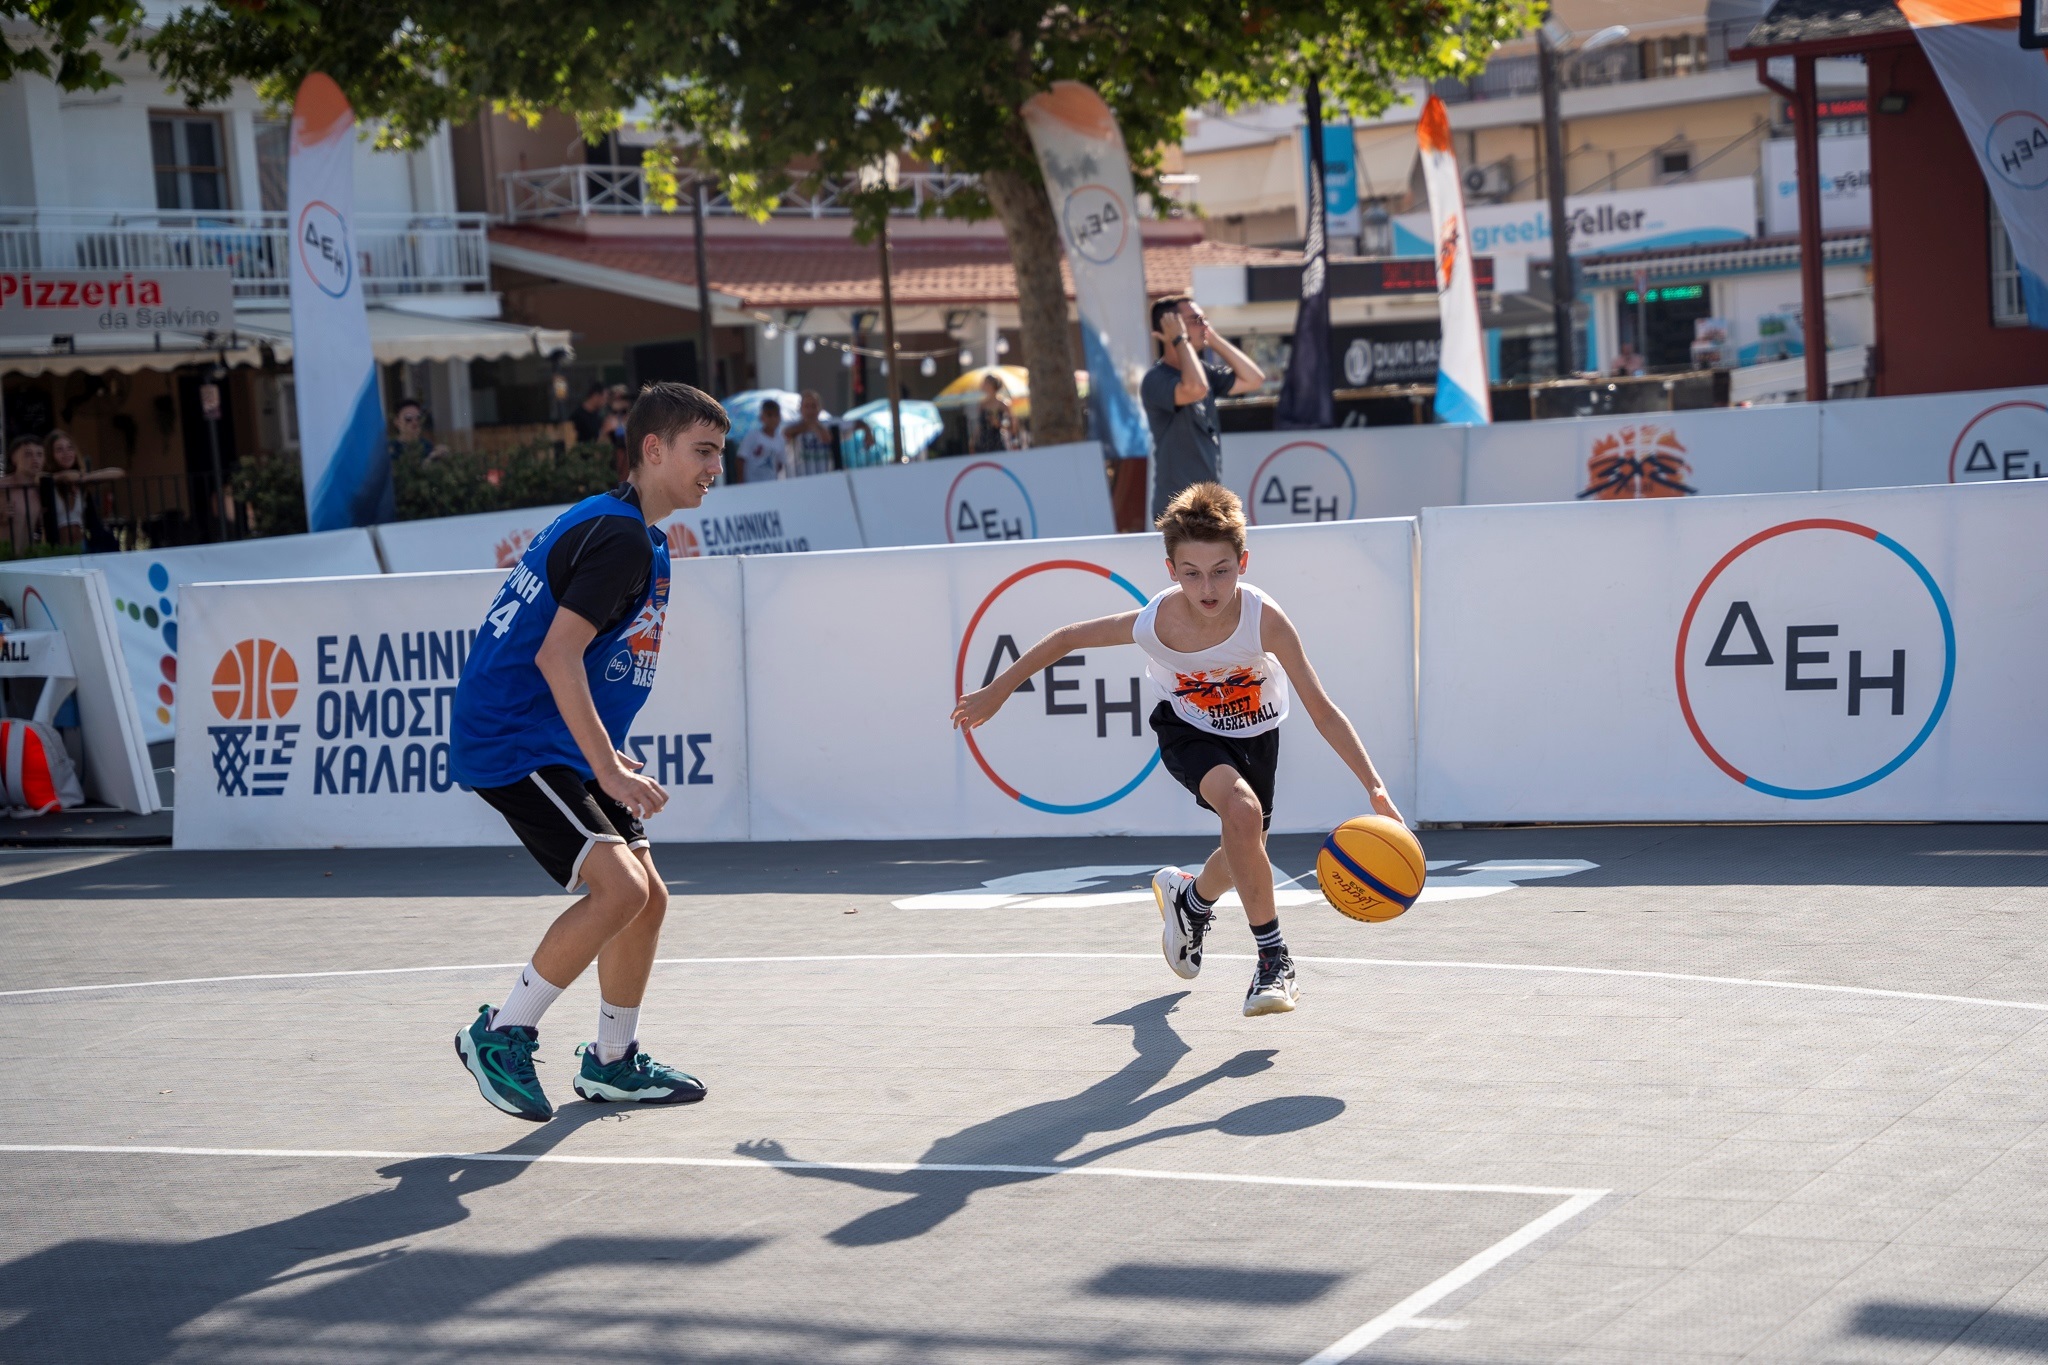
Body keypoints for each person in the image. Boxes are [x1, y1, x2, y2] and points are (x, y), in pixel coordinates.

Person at [952, 482, 1403, 1017]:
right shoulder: (1157, 622)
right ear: (1170, 569)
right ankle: (1273, 959)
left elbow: (1323, 710)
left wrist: (1373, 785)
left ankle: (1191, 902)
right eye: (1191, 573)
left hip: (1257, 734)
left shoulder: (1266, 621)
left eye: (1221, 571)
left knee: (1245, 843)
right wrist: (997, 689)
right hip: (1188, 729)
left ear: (1244, 562)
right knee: (1242, 811)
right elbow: (1069, 637)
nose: (1207, 587)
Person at [448, 381, 731, 1122]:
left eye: (720, 454)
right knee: (621, 890)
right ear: (653, 448)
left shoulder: (631, 531)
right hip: (514, 736)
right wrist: (602, 763)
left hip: (554, 738)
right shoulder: (620, 537)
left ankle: (612, 1062)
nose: (715, 468)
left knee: (647, 897)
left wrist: (606, 752)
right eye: (703, 452)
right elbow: (556, 654)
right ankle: (501, 1033)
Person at [1139, 295, 1265, 522]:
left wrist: (1212, 338)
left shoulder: (1203, 371)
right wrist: (1179, 340)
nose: (1203, 325)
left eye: (1204, 319)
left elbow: (1254, 379)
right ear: (1171, 325)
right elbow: (1195, 389)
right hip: (1176, 508)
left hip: (1208, 505)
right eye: (1196, 319)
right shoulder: (1156, 379)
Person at [43, 428, 122, 550]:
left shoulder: (80, 482)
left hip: (81, 546)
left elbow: (119, 473)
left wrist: (84, 477)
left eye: (70, 448)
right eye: (59, 449)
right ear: (50, 454)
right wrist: (63, 476)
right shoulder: (47, 481)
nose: (66, 453)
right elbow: (37, 479)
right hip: (57, 548)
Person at [3, 435, 50, 554]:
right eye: (28, 454)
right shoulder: (3, 486)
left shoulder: (42, 490)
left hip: (27, 558)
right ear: (14, 458)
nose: (35, 459)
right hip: (3, 558)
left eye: (39, 454)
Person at [735, 399, 792, 483]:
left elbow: (780, 463)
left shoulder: (780, 440)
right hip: (751, 483)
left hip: (771, 484)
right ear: (762, 417)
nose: (773, 419)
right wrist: (740, 482)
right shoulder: (753, 436)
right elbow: (741, 459)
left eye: (776, 415)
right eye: (769, 415)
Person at [783, 390, 837, 475]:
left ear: (820, 409)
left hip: (825, 477)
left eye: (813, 406)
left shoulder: (829, 425)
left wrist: (866, 430)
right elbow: (785, 433)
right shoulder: (792, 425)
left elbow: (827, 438)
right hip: (800, 479)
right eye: (806, 406)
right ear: (800, 409)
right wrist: (810, 426)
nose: (810, 410)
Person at [387, 399, 448, 463]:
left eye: (418, 418)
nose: (415, 422)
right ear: (397, 422)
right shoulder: (391, 449)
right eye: (408, 418)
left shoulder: (427, 446)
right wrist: (430, 459)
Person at [972, 374, 1015, 453]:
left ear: (992, 386)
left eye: (985, 383)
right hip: (983, 443)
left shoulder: (1003, 405)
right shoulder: (982, 405)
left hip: (998, 442)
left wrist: (999, 424)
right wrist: (973, 440)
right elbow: (979, 425)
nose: (982, 385)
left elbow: (1013, 427)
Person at [568, 381, 609, 445]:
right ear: (596, 396)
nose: (605, 402)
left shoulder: (597, 417)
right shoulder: (577, 417)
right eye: (604, 398)